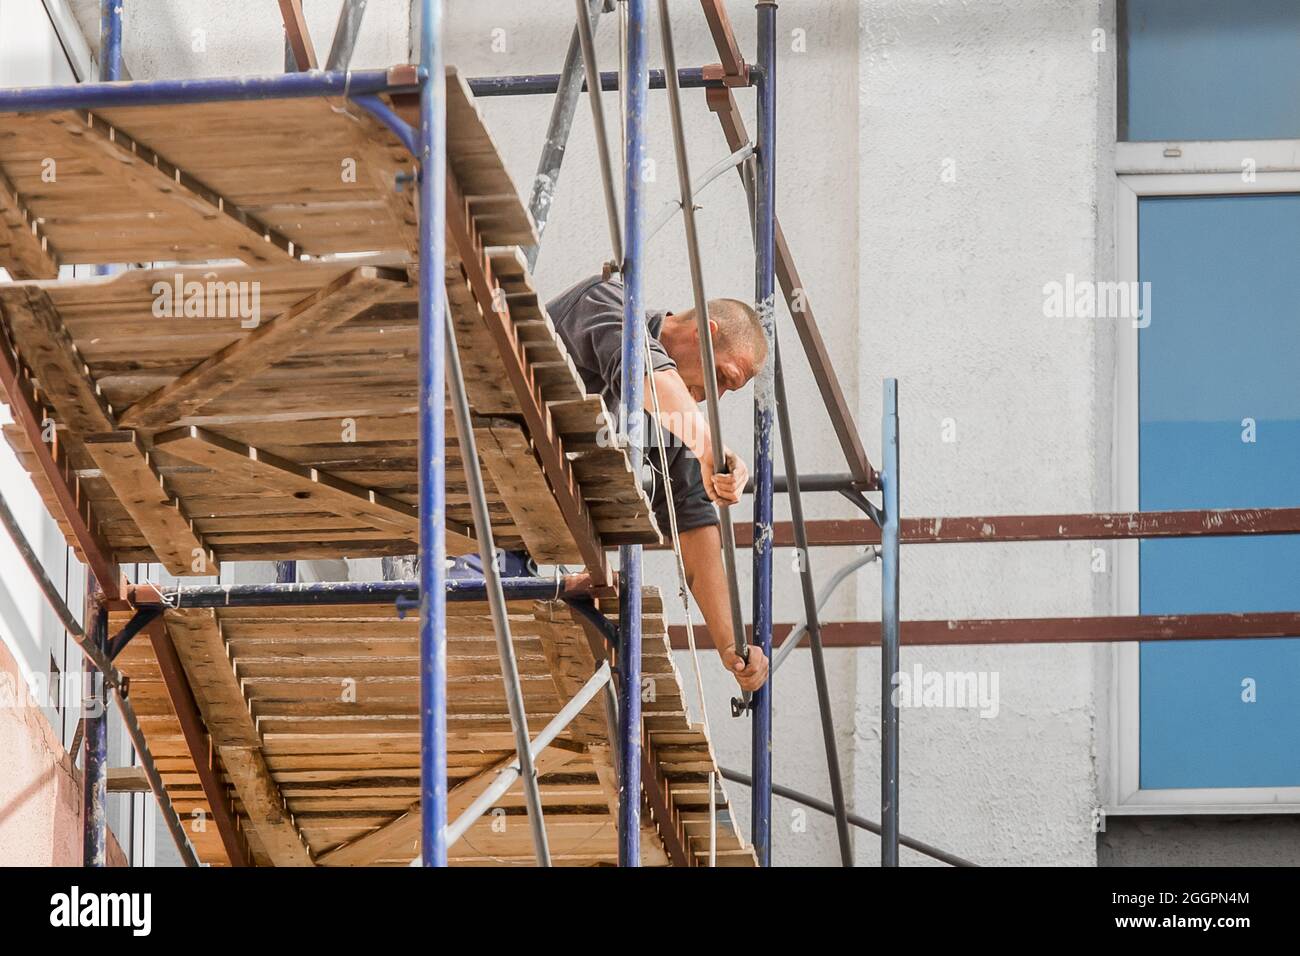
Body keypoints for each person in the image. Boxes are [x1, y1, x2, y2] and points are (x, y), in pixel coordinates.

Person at [547, 274, 770, 694]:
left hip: (514, 530)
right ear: (704, 331)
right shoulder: (606, 302)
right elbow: (646, 377)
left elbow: (694, 520)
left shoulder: (676, 416)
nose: (714, 396)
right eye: (722, 377)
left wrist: (730, 646)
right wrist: (712, 451)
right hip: (466, 490)